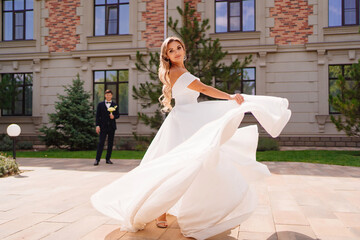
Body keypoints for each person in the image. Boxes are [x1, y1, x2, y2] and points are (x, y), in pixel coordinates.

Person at [91, 37, 291, 239]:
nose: (177, 52)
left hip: (186, 118)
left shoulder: (178, 71)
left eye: (179, 48)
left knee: (184, 164)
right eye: (171, 50)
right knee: (175, 165)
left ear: (184, 50)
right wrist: (229, 97)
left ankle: (183, 209)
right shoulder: (177, 72)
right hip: (183, 120)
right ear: (166, 56)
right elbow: (204, 89)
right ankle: (162, 211)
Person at [94, 89, 120, 166]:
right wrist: (97, 126)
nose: (108, 96)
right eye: (107, 95)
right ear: (105, 95)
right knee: (101, 143)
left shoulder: (115, 105)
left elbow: (118, 115)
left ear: (111, 96)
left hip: (111, 127)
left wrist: (114, 116)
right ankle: (97, 159)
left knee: (110, 143)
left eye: (110, 95)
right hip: (103, 127)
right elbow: (97, 116)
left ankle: (108, 159)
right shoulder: (100, 105)